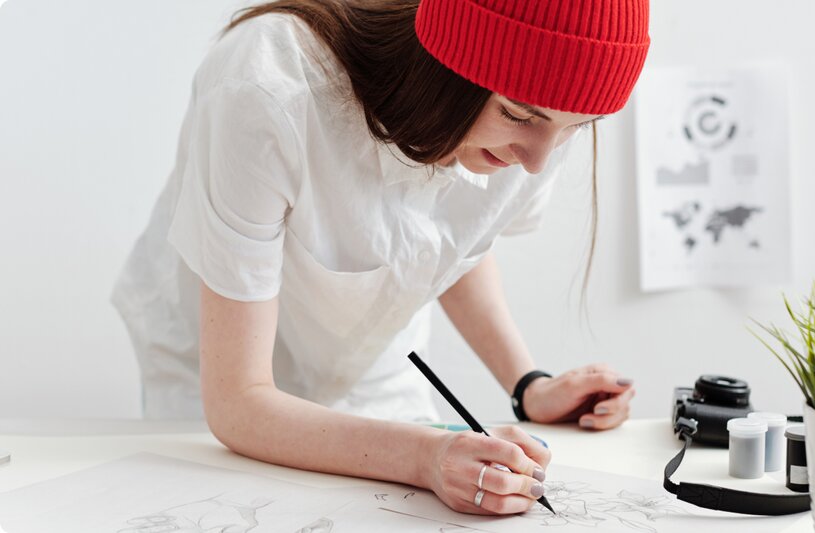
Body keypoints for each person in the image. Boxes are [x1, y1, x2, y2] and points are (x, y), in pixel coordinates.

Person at [112, 0, 650, 515]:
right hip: (220, 378)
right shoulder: (267, 89)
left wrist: (528, 386)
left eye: (577, 127)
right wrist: (425, 456)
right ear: (447, 67)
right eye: (517, 115)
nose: (536, 163)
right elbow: (238, 403)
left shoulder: (541, 124)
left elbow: (448, 239)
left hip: (374, 372)